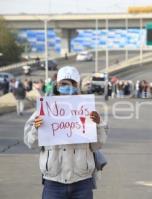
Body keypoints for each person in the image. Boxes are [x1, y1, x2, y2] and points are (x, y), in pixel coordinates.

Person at [24, 66, 107, 199]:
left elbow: (97, 145)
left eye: (72, 83)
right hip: (53, 182)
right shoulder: (44, 109)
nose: (68, 87)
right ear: (57, 85)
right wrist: (36, 128)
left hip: (82, 182)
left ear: (77, 85)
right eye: (64, 84)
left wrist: (97, 125)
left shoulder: (87, 109)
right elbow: (31, 143)